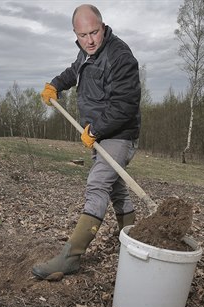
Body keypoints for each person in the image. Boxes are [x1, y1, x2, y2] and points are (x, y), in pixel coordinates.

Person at [32, 4, 141, 279]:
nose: (90, 40)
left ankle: (71, 257)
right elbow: (74, 71)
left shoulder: (120, 57)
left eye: (94, 32)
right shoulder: (86, 53)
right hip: (99, 134)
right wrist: (55, 85)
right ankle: (132, 240)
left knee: (97, 184)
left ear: (103, 27)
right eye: (83, 35)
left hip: (118, 135)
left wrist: (96, 129)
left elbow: (125, 105)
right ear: (75, 34)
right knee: (116, 190)